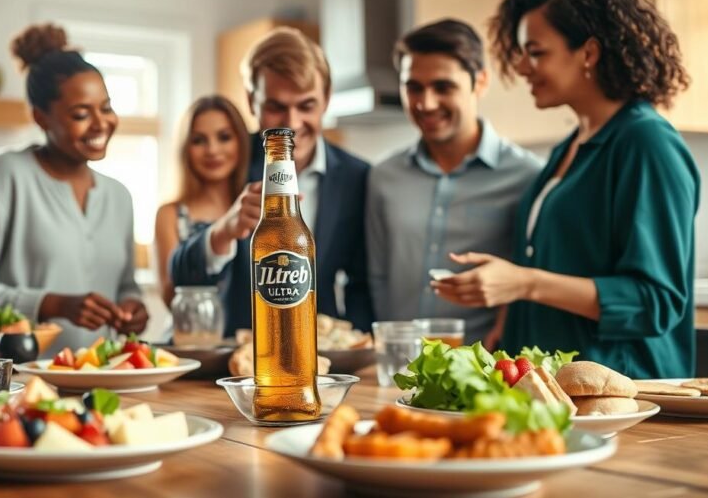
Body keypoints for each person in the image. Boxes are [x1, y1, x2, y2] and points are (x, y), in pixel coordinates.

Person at [433, 0, 699, 379]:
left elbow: (655, 301)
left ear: (588, 53)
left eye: (535, 52)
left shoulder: (645, 143)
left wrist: (524, 283)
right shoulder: (570, 147)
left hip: (621, 394)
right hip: (555, 391)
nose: (521, 67)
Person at [0, 23, 148, 355]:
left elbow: (124, 285)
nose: (100, 123)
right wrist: (50, 304)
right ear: (41, 117)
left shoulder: (119, 196)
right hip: (14, 384)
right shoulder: (1, 178)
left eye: (106, 108)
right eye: (81, 113)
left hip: (103, 380)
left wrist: (133, 306)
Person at [168, 27, 374, 336]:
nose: (291, 123)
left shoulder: (356, 176)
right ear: (252, 101)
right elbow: (181, 275)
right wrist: (225, 228)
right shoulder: (227, 159)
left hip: (318, 355)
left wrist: (354, 345)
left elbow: (361, 282)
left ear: (326, 100)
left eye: (306, 106)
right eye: (276, 107)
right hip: (236, 354)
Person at [367, 19, 542, 347]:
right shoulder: (383, 177)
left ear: (481, 82)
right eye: (413, 87)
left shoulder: (526, 176)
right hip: (398, 367)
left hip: (487, 370)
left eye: (443, 87)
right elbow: (377, 277)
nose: (425, 103)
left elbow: (529, 279)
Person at [155, 95, 250, 306]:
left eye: (224, 137)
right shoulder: (170, 214)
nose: (212, 150)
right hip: (191, 337)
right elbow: (170, 297)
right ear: (185, 149)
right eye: (198, 140)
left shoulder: (256, 207)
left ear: (241, 141)